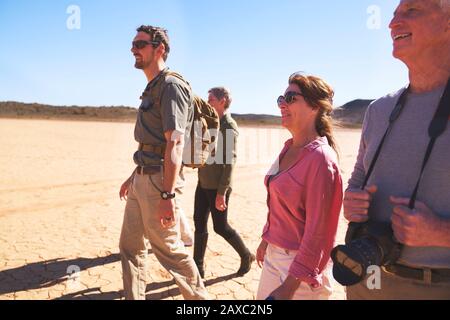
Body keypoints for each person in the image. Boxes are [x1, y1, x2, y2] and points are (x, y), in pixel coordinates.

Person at [343, 0, 450, 299]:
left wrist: (441, 232)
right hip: (365, 276)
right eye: (393, 15)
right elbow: (359, 176)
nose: (392, 23)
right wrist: (350, 202)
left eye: (412, 10)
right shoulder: (379, 110)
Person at [118, 25, 208, 300]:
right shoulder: (152, 87)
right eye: (133, 43)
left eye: (140, 44)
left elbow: (174, 143)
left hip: (159, 181)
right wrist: (134, 175)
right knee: (130, 247)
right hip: (143, 176)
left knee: (169, 251)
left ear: (160, 49)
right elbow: (151, 141)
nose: (133, 48)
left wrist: (167, 194)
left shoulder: (171, 86)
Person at [255, 73, 343, 300]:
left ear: (315, 106)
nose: (282, 104)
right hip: (274, 257)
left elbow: (318, 234)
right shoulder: (288, 148)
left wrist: (290, 287)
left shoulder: (321, 158)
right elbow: (279, 201)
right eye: (281, 99)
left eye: (291, 98)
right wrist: (267, 239)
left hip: (299, 271)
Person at [193, 87, 255, 278]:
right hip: (203, 182)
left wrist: (222, 192)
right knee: (199, 222)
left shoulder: (228, 125)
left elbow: (230, 161)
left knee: (220, 227)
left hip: (218, 187)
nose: (208, 102)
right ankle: (198, 267)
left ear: (223, 101)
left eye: (211, 99)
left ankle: (246, 255)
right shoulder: (211, 122)